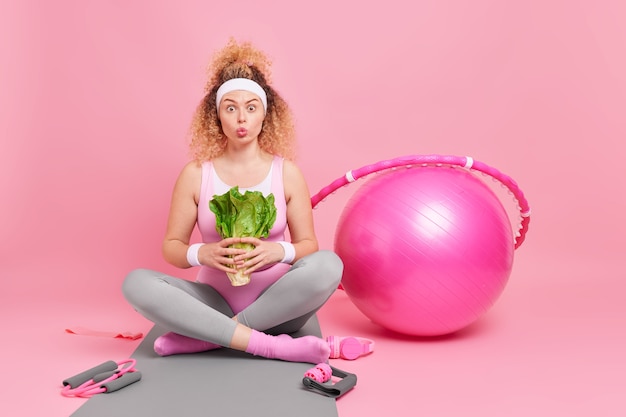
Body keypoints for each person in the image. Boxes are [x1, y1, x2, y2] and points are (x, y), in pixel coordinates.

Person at [122, 38, 344, 364]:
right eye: (231, 108)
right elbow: (172, 247)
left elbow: (308, 244)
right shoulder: (196, 174)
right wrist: (202, 253)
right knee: (136, 283)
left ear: (265, 116)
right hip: (212, 302)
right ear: (217, 117)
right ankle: (269, 346)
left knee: (330, 264)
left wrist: (278, 251)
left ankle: (208, 339)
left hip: (280, 306)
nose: (241, 118)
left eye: (251, 108)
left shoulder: (287, 173)